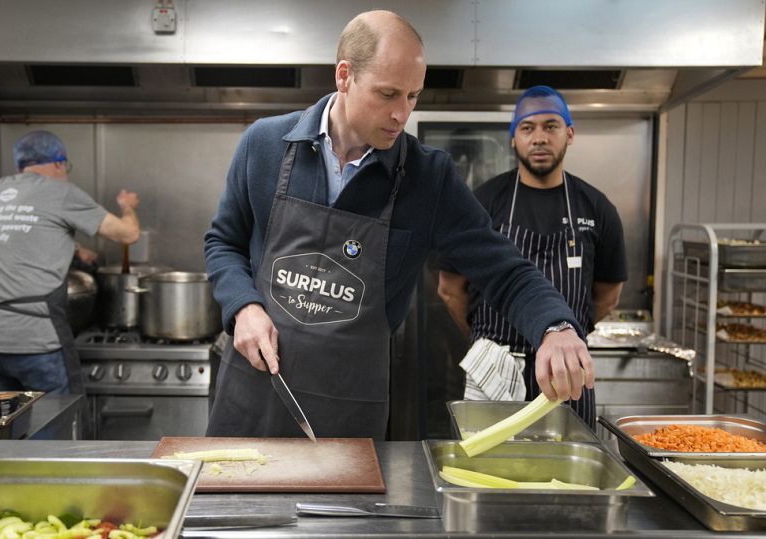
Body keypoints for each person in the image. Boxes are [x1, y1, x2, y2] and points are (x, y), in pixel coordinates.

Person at [204, 11, 595, 440]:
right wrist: (243, 306)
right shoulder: (265, 144)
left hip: (347, 409)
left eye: (412, 96)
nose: (401, 114)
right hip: (256, 389)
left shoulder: (428, 178)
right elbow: (223, 242)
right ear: (344, 76)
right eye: (388, 94)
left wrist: (555, 327)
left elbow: (506, 272)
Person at [437, 86, 627, 429]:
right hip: (494, 367)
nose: (539, 138)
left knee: (568, 460)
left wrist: (569, 334)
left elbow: (608, 296)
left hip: (566, 374)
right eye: (527, 128)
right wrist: (485, 338)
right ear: (513, 139)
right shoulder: (482, 202)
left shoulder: (597, 208)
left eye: (551, 126)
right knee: (488, 460)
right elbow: (450, 290)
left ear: (570, 134)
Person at [0, 130, 141, 395]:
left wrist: (76, 249)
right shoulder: (61, 192)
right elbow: (128, 235)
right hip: (38, 344)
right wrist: (128, 206)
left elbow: (24, 232)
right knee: (59, 420)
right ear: (59, 163)